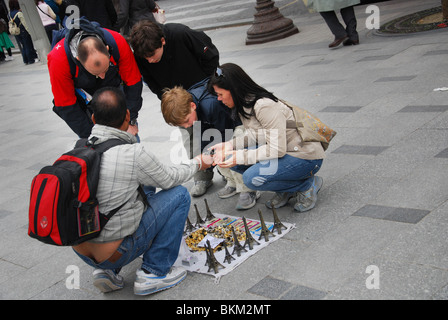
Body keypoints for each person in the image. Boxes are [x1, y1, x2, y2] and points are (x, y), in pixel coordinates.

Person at [72, 86, 213, 295]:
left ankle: (106, 271)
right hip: (118, 251)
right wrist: (198, 163)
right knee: (180, 195)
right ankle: (154, 272)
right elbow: (169, 179)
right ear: (128, 115)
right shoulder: (133, 153)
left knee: (142, 184)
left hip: (82, 251)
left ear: (93, 119)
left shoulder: (80, 147)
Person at [209, 63, 326, 213]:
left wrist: (240, 156)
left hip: (305, 157)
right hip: (286, 151)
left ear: (233, 90)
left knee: (251, 178)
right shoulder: (244, 104)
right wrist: (230, 145)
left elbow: (277, 149)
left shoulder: (264, 106)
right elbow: (255, 134)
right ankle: (286, 188)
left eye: (220, 94)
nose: (219, 99)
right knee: (230, 158)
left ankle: (307, 185)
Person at [129, 20, 220, 196]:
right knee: (190, 137)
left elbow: (211, 55)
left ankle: (229, 170)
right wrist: (165, 97)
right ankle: (202, 175)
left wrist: (209, 86)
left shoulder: (180, 33)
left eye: (152, 55)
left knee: (218, 128)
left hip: (202, 87)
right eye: (145, 58)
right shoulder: (141, 53)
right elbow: (149, 80)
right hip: (175, 97)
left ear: (162, 41)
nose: (150, 60)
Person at [161, 83, 258, 208]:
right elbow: (202, 135)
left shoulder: (211, 105)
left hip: (238, 124)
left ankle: (248, 188)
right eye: (182, 125)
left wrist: (216, 150)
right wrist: (206, 153)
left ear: (192, 106)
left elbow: (227, 132)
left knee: (225, 151)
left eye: (186, 121)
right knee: (211, 151)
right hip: (218, 128)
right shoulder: (190, 110)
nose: (186, 126)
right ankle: (232, 182)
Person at [47, 17, 143, 139]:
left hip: (114, 88)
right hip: (85, 100)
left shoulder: (117, 41)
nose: (102, 76)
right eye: (96, 73)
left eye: (105, 69)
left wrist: (131, 120)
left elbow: (133, 82)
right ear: (79, 60)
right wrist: (92, 137)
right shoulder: (59, 61)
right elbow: (66, 106)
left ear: (107, 50)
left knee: (129, 136)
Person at [8, 0, 37, 65]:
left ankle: (25, 60)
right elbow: (25, 23)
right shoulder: (19, 13)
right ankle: (30, 59)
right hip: (23, 31)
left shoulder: (9, 13)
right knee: (27, 45)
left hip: (16, 32)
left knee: (23, 45)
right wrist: (30, 31)